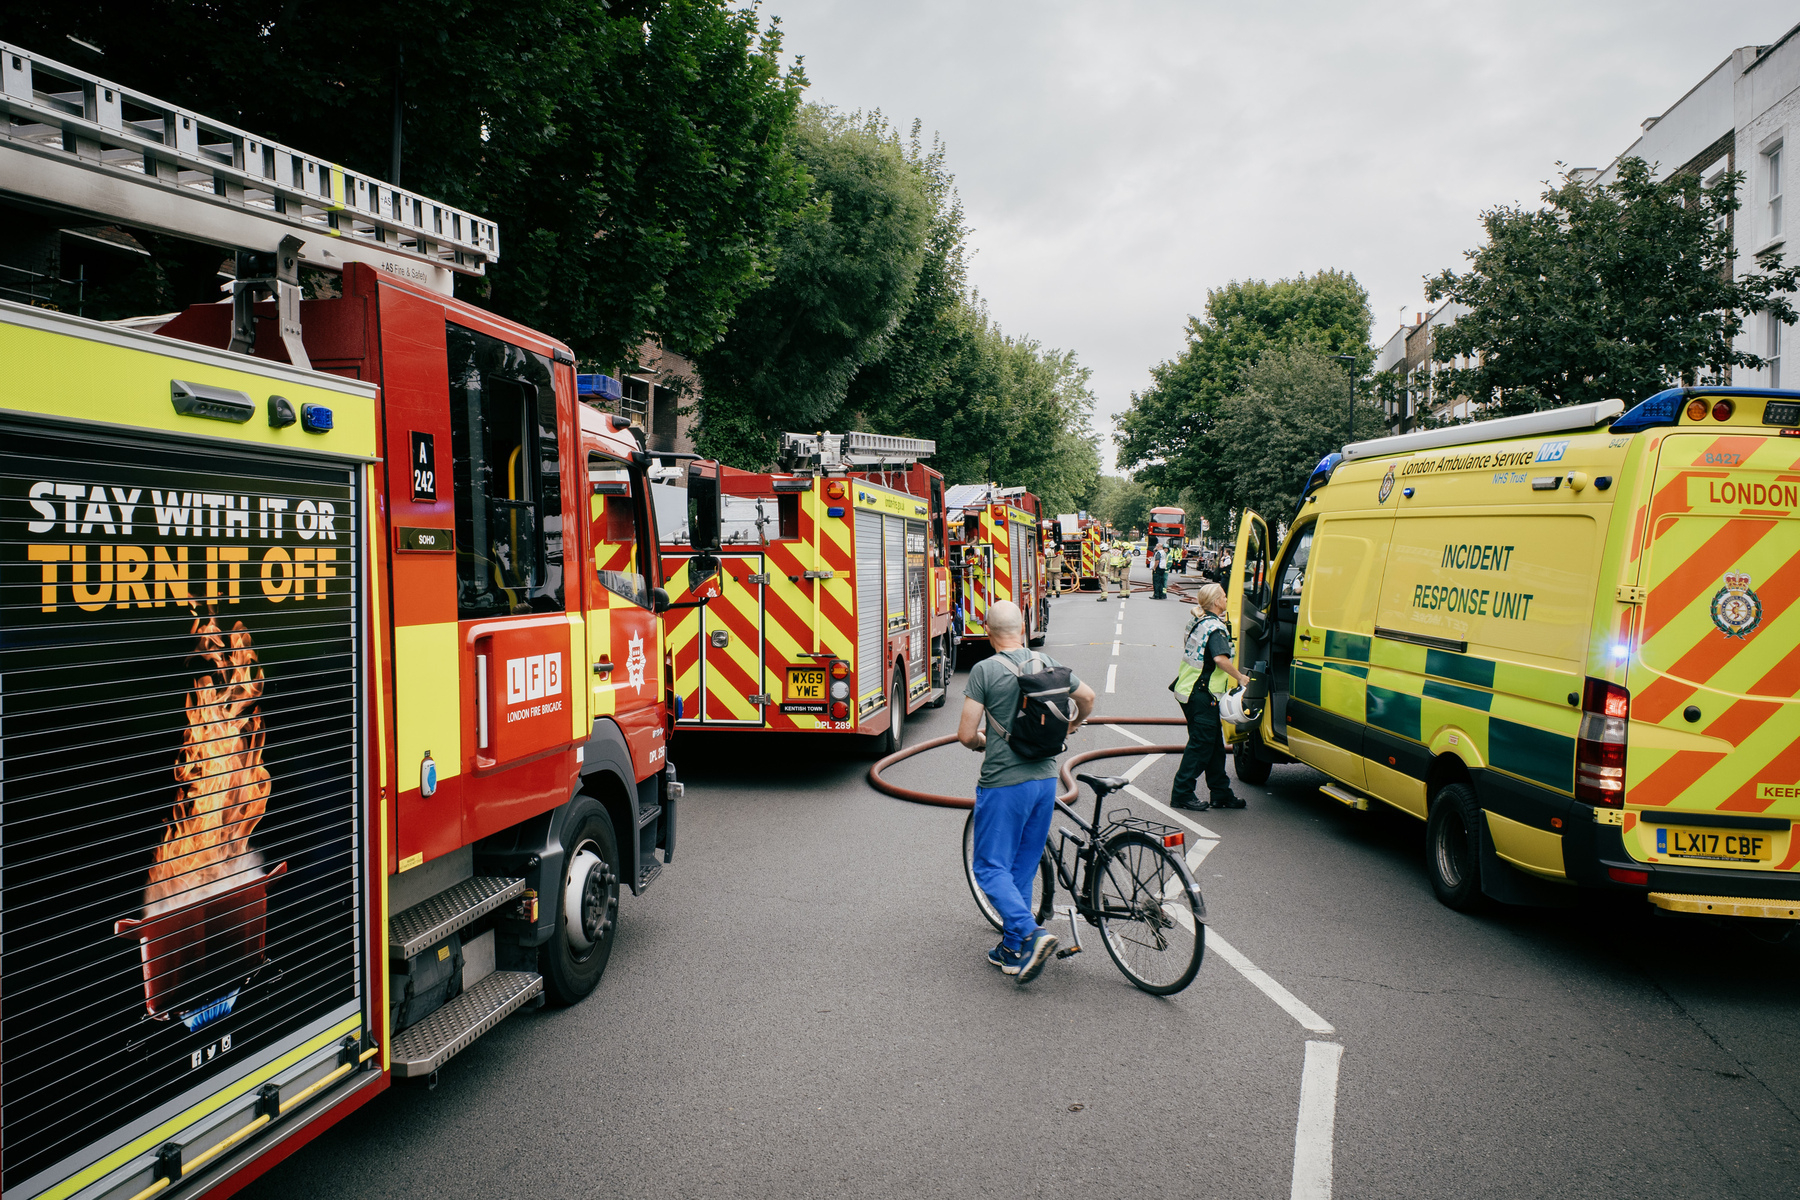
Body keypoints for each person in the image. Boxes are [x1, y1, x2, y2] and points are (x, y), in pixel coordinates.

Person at [958, 601, 1096, 984]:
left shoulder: (985, 670)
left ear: (988, 632)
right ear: (1023, 628)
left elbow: (967, 734)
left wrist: (983, 742)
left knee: (988, 867)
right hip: (1045, 781)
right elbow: (1087, 697)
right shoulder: (1047, 662)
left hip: (1005, 783)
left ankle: (1033, 935)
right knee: (1020, 866)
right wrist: (1072, 726)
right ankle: (1011, 947)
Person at [1170, 582, 1248, 812]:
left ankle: (1221, 793)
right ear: (1216, 602)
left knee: (1214, 745)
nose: (1226, 600)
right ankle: (1182, 793)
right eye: (1224, 596)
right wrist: (1241, 678)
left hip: (1192, 690)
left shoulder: (1199, 621)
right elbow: (1220, 660)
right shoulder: (1215, 628)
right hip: (1202, 694)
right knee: (1201, 745)